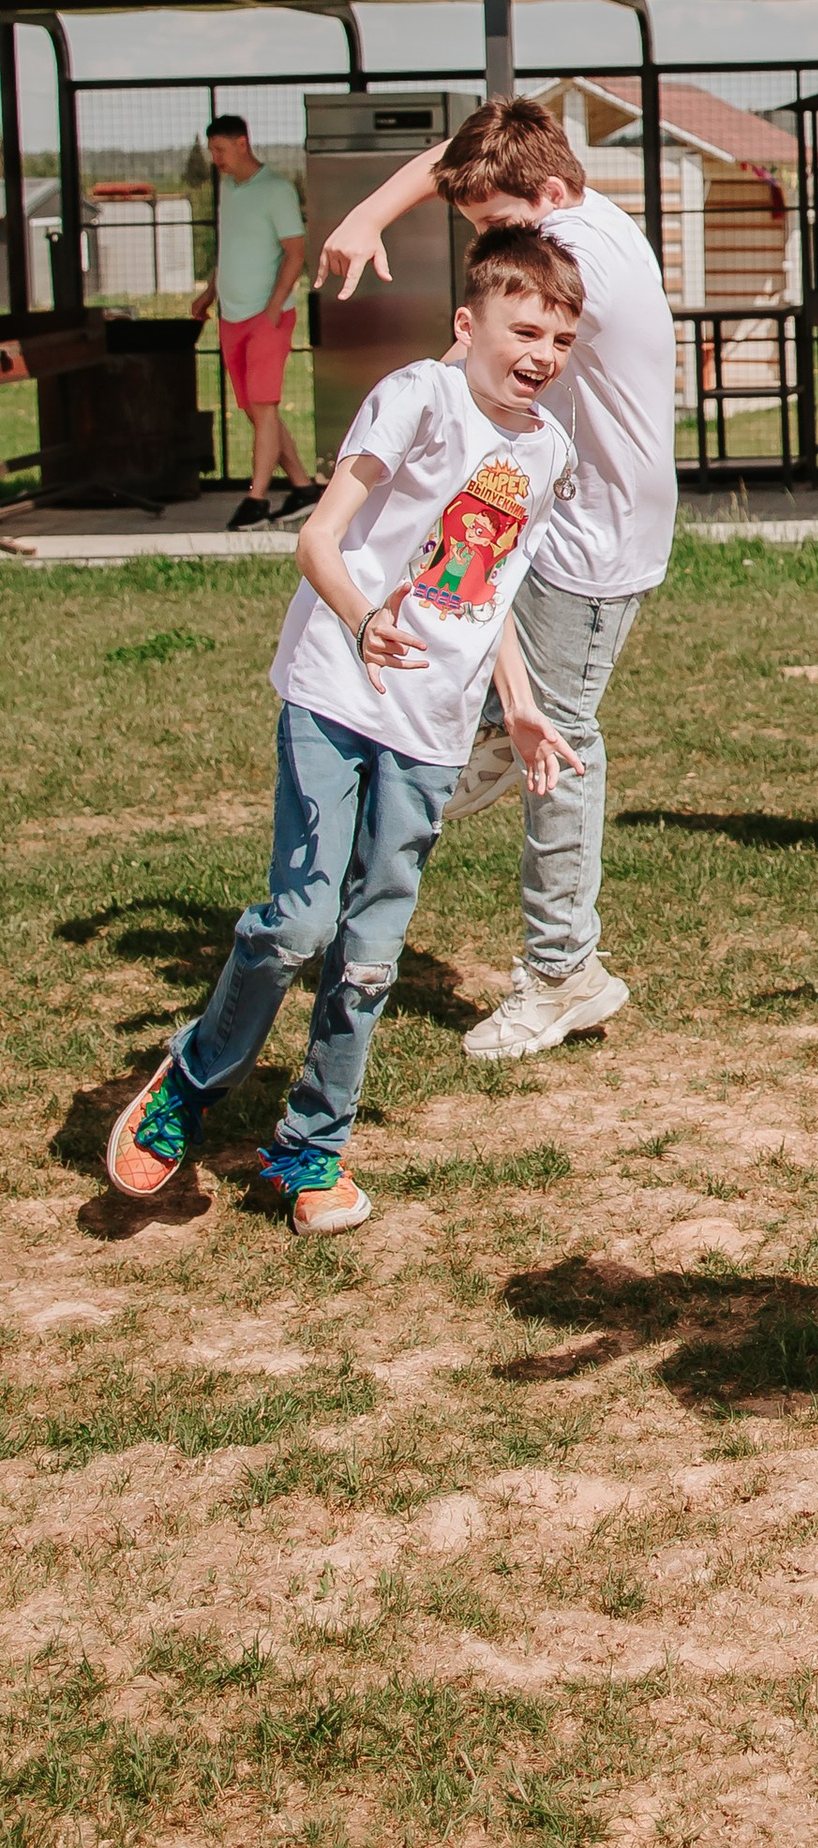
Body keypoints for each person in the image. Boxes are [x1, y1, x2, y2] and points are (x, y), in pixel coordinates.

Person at [105, 226, 587, 1235]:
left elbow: (491, 594)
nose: (542, 353)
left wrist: (523, 700)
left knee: (370, 956)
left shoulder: (548, 452)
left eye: (562, 338)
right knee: (298, 925)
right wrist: (365, 619)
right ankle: (188, 1086)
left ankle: (309, 1147)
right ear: (470, 324)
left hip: (433, 729)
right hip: (336, 694)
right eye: (525, 328)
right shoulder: (419, 397)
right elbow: (317, 537)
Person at [317, 97, 677, 1065]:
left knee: (556, 741)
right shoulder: (564, 198)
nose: (483, 236)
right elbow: (464, 152)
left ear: (546, 197)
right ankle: (467, 757)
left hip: (589, 542)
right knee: (477, 690)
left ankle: (565, 972)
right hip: (542, 518)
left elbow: (483, 359)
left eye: (488, 223)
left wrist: (395, 431)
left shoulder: (572, 263)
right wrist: (365, 216)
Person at [191, 115, 318, 528]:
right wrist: (210, 293)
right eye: (212, 151)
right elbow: (229, 249)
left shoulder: (276, 190)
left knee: (264, 408)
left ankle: (257, 500)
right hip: (232, 315)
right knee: (254, 410)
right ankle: (302, 488)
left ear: (242, 144)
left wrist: (274, 307)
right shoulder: (228, 188)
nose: (215, 160)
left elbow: (295, 252)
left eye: (220, 151)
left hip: (267, 316)